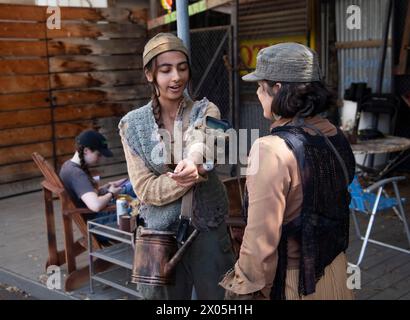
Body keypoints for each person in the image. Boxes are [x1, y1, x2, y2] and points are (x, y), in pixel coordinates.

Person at [219, 43, 356, 300]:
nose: (259, 93)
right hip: (338, 276)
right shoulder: (335, 135)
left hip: (295, 284)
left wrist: (241, 290)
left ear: (278, 89)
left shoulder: (270, 149)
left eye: (261, 86)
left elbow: (260, 242)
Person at [118, 33, 235, 300]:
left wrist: (195, 161)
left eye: (182, 68)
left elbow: (209, 141)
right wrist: (190, 177)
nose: (176, 77)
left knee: (219, 300)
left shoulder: (207, 110)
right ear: (149, 74)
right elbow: (146, 189)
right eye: (166, 69)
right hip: (160, 235)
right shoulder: (131, 125)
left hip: (208, 227)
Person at [59, 129, 129, 215]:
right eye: (98, 155)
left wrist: (106, 187)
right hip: (99, 218)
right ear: (86, 151)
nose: (100, 159)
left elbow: (86, 194)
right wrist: (111, 193)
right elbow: (95, 205)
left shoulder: (68, 165)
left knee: (129, 186)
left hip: (96, 213)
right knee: (134, 198)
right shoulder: (77, 174)